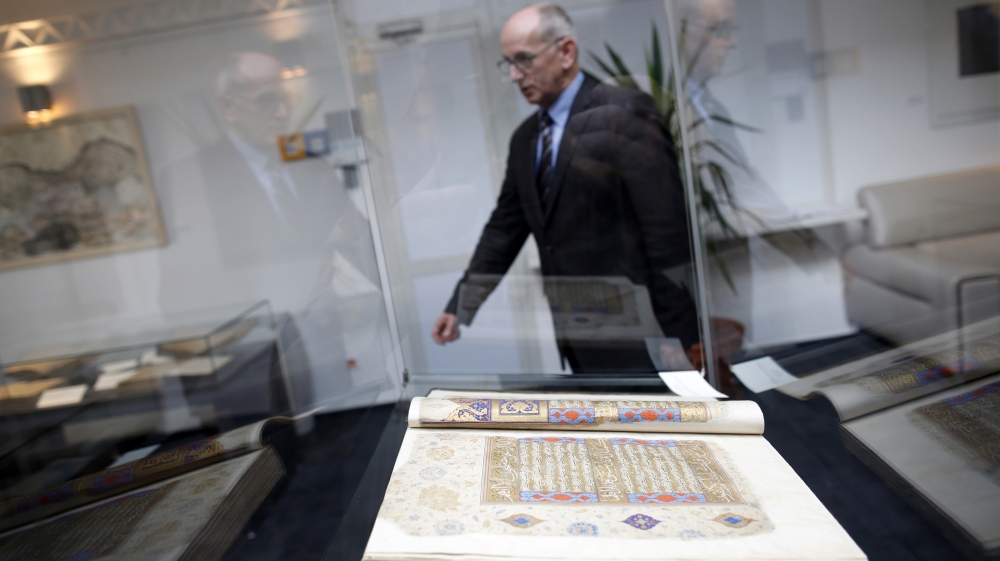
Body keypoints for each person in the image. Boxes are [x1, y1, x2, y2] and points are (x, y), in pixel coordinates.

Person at [430, 4, 700, 373]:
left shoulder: (622, 113)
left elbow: (667, 232)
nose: (515, 75)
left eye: (524, 60)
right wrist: (461, 305)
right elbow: (504, 230)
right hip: (578, 336)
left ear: (566, 52)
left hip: (644, 335)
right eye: (508, 63)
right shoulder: (525, 139)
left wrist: (680, 337)